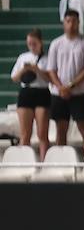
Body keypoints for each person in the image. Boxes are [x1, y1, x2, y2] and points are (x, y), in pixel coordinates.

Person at [45, 11, 84, 152]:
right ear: (64, 23)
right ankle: (61, 165)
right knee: (61, 130)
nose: (71, 24)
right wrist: (61, 87)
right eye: (68, 21)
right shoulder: (56, 43)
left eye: (74, 21)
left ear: (79, 23)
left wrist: (70, 86)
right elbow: (51, 70)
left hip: (79, 94)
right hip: (59, 94)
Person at [11, 29, 50, 158]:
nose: (32, 46)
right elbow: (14, 77)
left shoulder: (46, 58)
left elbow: (50, 79)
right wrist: (24, 69)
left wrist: (37, 69)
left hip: (41, 92)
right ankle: (24, 162)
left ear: (40, 43)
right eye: (29, 44)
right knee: (25, 133)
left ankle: (44, 162)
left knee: (42, 134)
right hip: (26, 92)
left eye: (34, 43)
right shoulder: (23, 57)